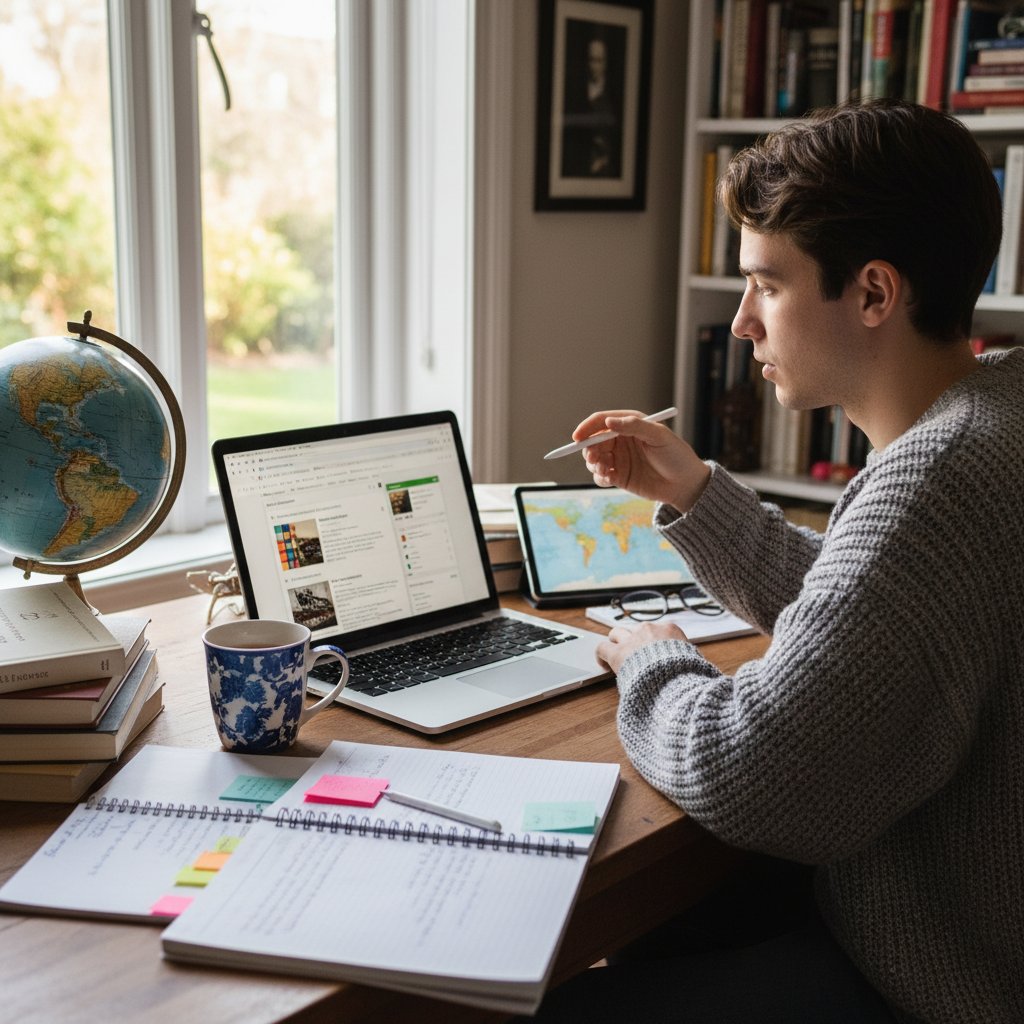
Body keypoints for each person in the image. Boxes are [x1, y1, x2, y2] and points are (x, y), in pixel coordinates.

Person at [530, 100, 1024, 1022]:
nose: (742, 323)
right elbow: (891, 628)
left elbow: (751, 774)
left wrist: (650, 659)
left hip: (946, 974)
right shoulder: (998, 412)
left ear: (875, 293)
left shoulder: (937, 477)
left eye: (767, 284)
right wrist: (697, 495)